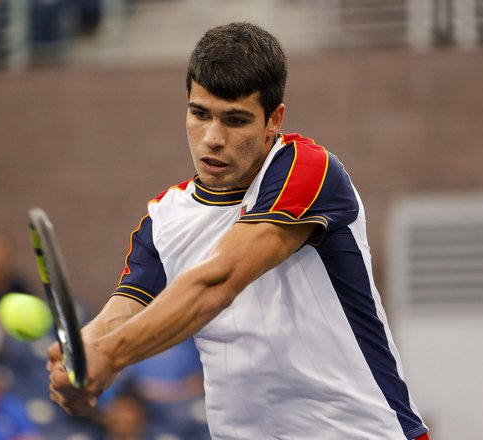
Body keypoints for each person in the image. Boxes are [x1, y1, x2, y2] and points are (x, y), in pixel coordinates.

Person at [47, 22, 429, 440]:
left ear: (273, 120)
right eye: (199, 114)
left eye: (236, 120)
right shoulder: (163, 219)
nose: (212, 139)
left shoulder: (309, 170)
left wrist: (110, 355)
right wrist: (78, 357)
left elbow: (220, 281)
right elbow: (119, 314)